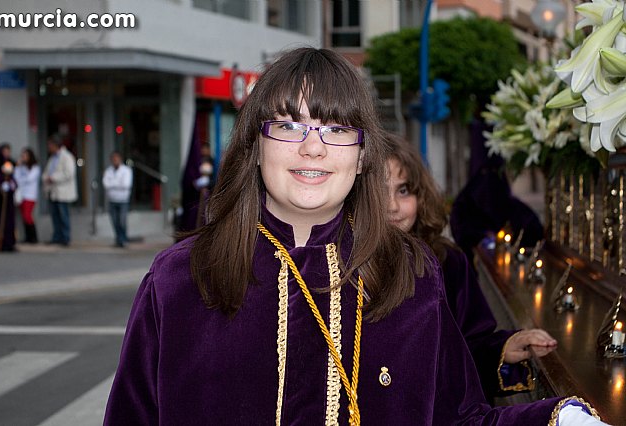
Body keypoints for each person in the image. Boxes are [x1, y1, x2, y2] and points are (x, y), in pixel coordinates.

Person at [104, 48, 603, 425]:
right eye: (289, 125)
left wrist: (556, 417)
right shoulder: (179, 279)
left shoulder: (410, 273)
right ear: (255, 145)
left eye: (337, 129)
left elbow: (461, 418)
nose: (313, 148)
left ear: (363, 154)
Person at [385, 134, 557, 404]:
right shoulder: (341, 265)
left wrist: (502, 348)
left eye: (403, 190)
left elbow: (468, 347)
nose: (392, 206)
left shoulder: (446, 261)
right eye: (378, 191)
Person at [42, 135, 77, 246]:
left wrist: (53, 178)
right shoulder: (52, 158)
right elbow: (47, 172)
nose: (48, 147)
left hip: (63, 192)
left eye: (50, 145)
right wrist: (46, 178)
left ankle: (65, 238)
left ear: (56, 145)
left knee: (63, 216)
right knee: (55, 216)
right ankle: (57, 237)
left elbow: (69, 174)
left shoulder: (67, 157)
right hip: (53, 192)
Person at [102, 151, 133, 248]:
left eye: (116, 158)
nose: (115, 160)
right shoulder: (108, 170)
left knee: (122, 221)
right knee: (115, 221)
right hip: (112, 200)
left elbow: (126, 185)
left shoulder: (126, 170)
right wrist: (117, 183)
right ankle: (119, 239)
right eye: (113, 159)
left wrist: (112, 184)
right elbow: (106, 184)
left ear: (120, 159)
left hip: (123, 200)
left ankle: (123, 239)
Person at [13, 148, 41, 243]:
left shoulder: (35, 168)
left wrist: (21, 179)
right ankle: (28, 237)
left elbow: (29, 179)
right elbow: (16, 178)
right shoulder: (21, 167)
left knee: (27, 216)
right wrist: (17, 166)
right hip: (22, 195)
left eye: (25, 156)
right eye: (22, 156)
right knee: (23, 217)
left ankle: (34, 237)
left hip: (30, 195)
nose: (23, 158)